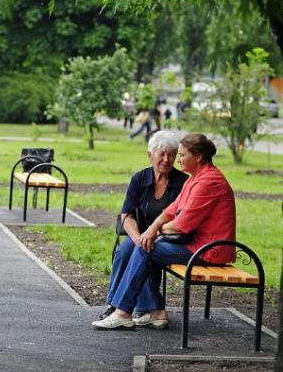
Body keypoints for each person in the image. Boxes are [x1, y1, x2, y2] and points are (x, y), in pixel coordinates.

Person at [93, 133, 236, 330]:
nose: (177, 159)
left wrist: (153, 232)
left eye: (182, 155)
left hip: (209, 251)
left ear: (199, 157)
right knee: (142, 246)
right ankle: (150, 311)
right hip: (196, 246)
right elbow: (171, 209)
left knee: (144, 249)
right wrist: (152, 229)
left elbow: (181, 224)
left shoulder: (209, 182)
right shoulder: (196, 178)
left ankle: (123, 312)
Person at [99, 131, 188, 323]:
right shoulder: (139, 179)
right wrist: (138, 238)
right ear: (150, 155)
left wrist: (151, 236)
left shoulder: (183, 183)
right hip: (139, 234)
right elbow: (127, 215)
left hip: (167, 237)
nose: (167, 159)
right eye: (162, 154)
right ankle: (114, 305)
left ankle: (146, 308)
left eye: (172, 154)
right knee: (125, 251)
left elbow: (180, 221)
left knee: (144, 251)